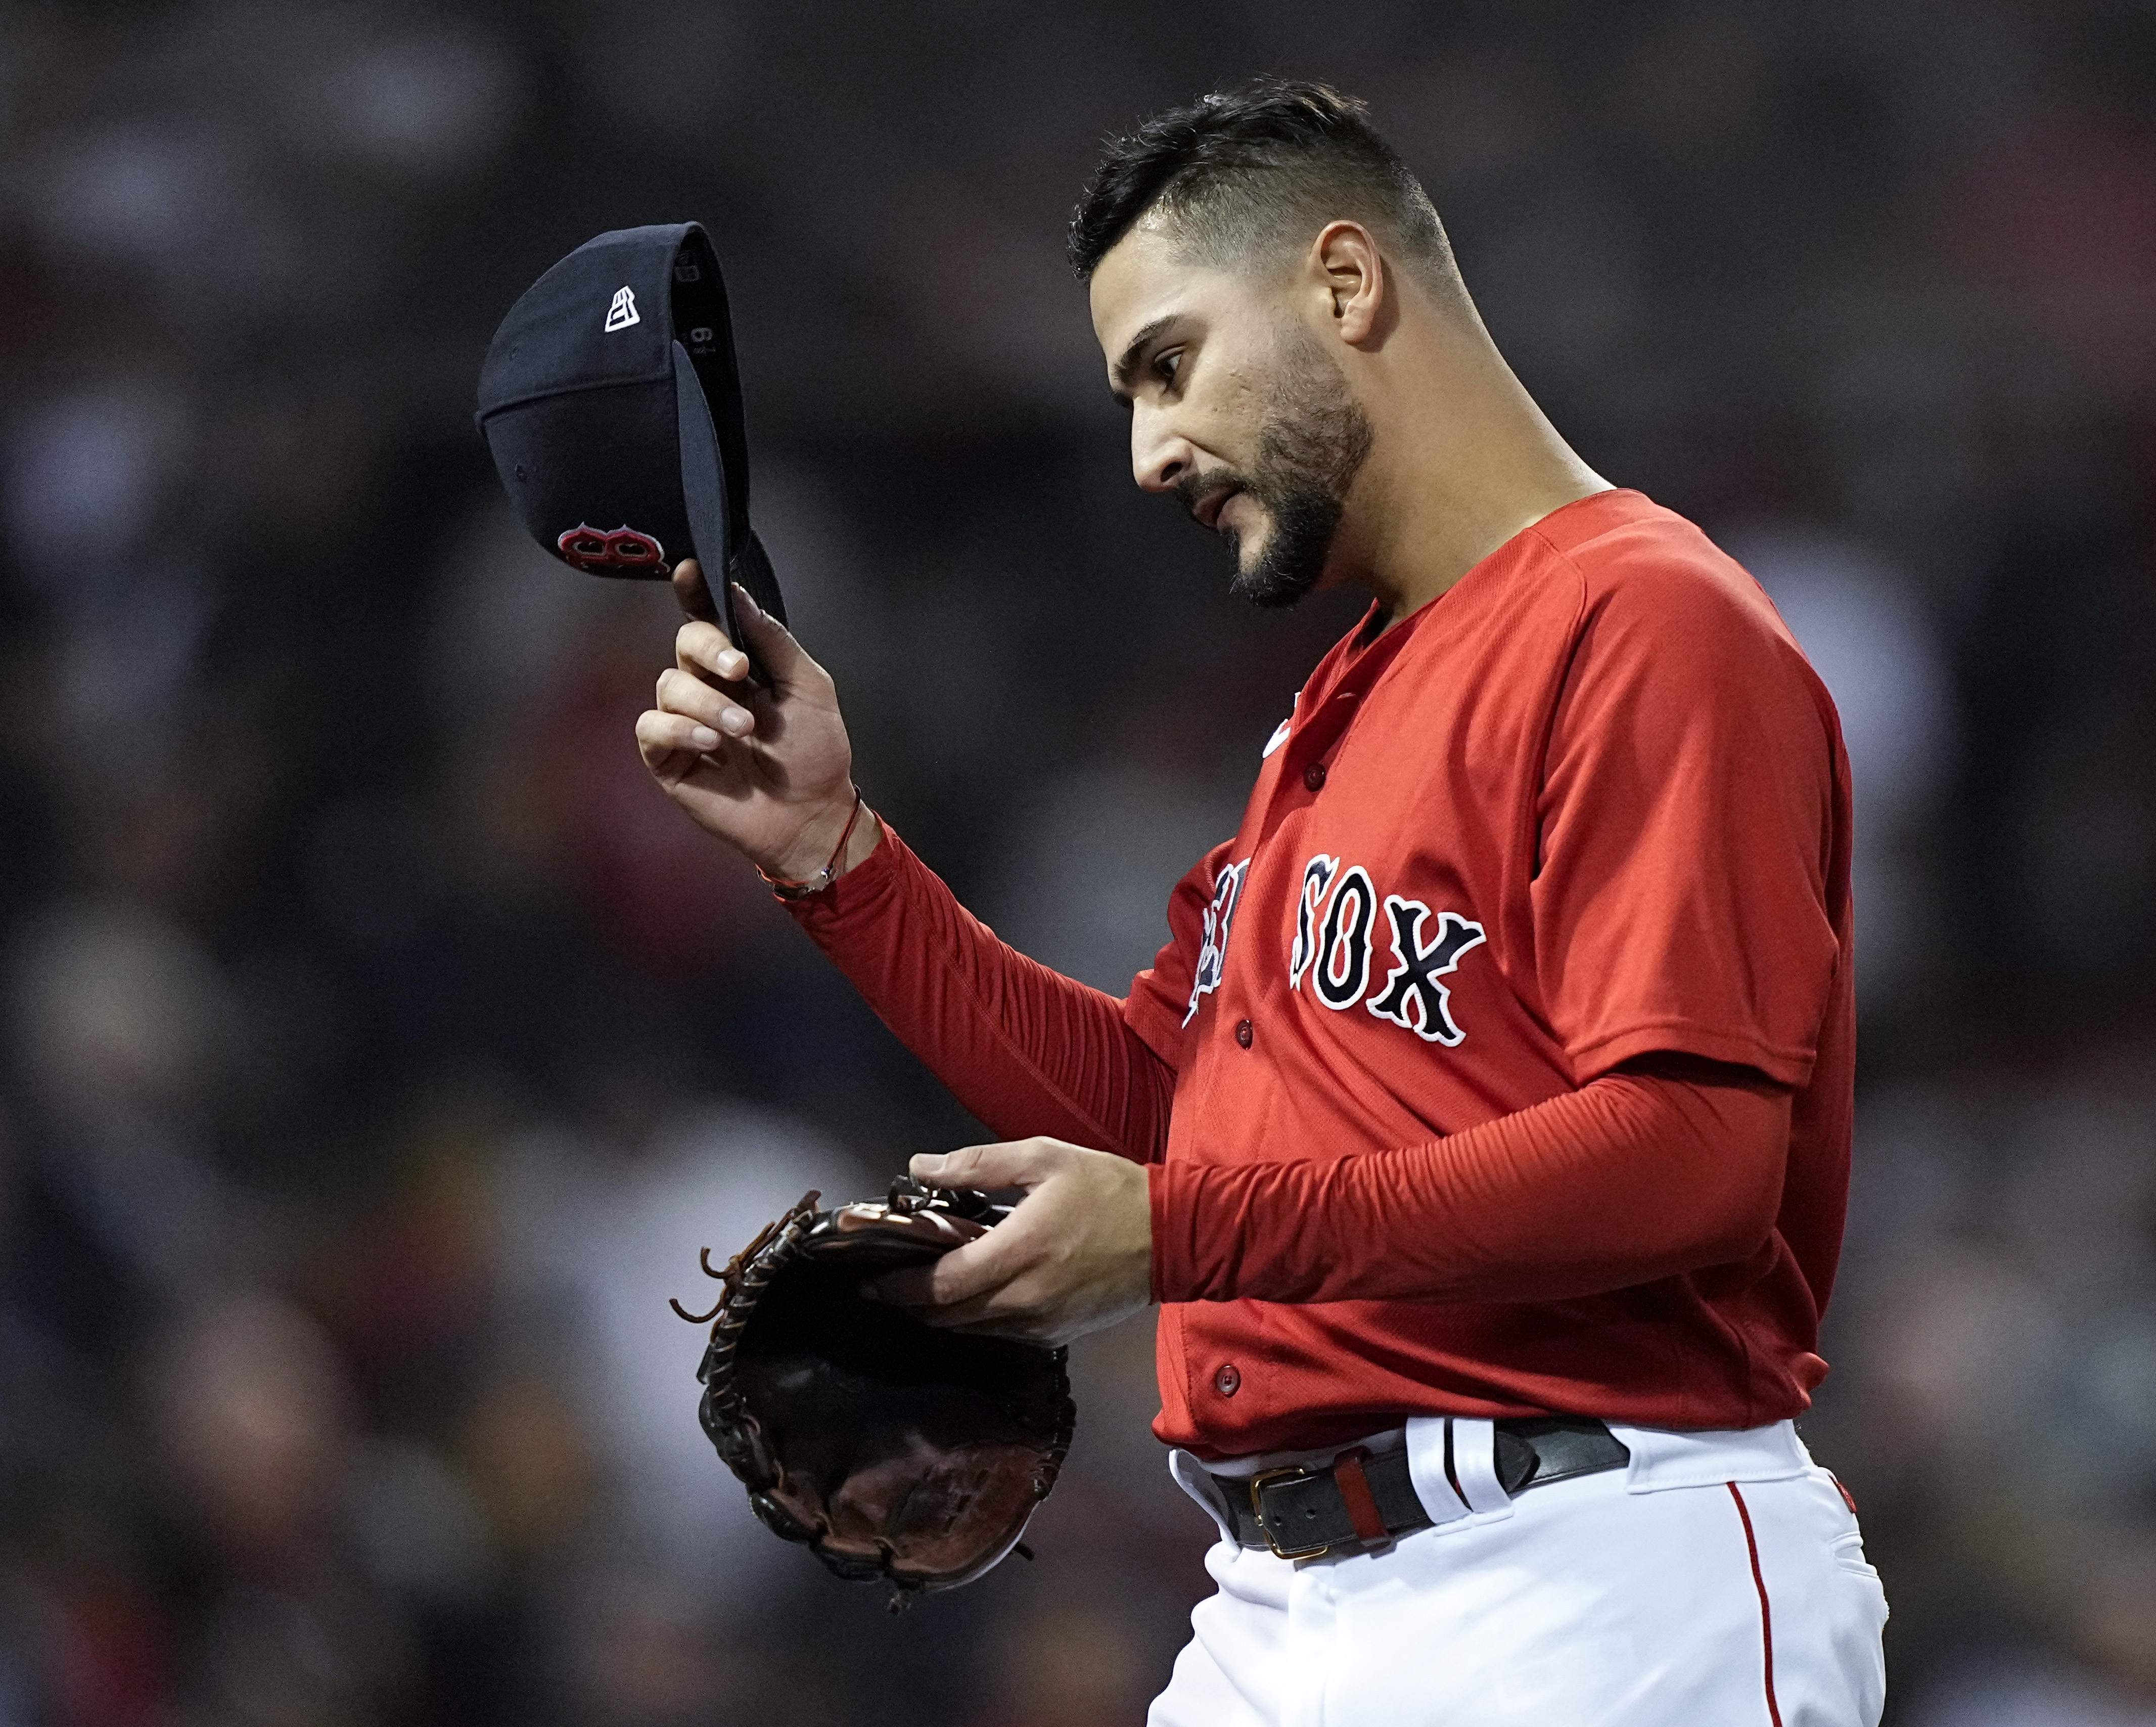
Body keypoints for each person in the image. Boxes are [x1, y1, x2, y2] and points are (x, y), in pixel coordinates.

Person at [635, 77, 1885, 1727]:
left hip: (1594, 1579)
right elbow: (1182, 1113)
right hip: (1284, 1606)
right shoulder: (1341, 703)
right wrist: (835, 861)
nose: (1149, 450)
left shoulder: (1644, 626)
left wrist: (1174, 1236)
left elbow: (1693, 1159)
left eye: (1169, 362)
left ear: (1344, 284)